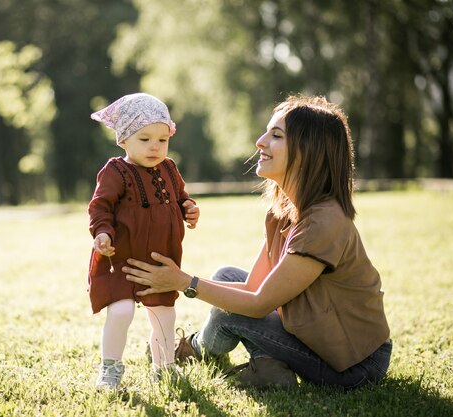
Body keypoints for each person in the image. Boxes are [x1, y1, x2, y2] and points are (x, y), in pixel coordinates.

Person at [123, 94, 391, 389]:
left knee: (231, 316)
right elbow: (253, 287)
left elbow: (258, 303)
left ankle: (194, 350)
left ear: (309, 150)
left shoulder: (323, 223)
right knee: (226, 276)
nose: (260, 142)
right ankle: (267, 366)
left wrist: (182, 281)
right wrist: (186, 281)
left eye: (275, 135)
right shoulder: (283, 212)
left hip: (353, 365)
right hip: (316, 334)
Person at [88, 93, 200, 389]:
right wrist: (102, 233)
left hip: (160, 259)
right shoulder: (115, 171)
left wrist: (189, 208)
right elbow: (100, 206)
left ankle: (165, 367)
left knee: (164, 315)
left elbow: (181, 197)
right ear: (123, 139)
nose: (155, 146)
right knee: (121, 311)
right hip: (122, 259)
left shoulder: (169, 169)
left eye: (162, 140)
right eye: (144, 138)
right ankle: (110, 367)